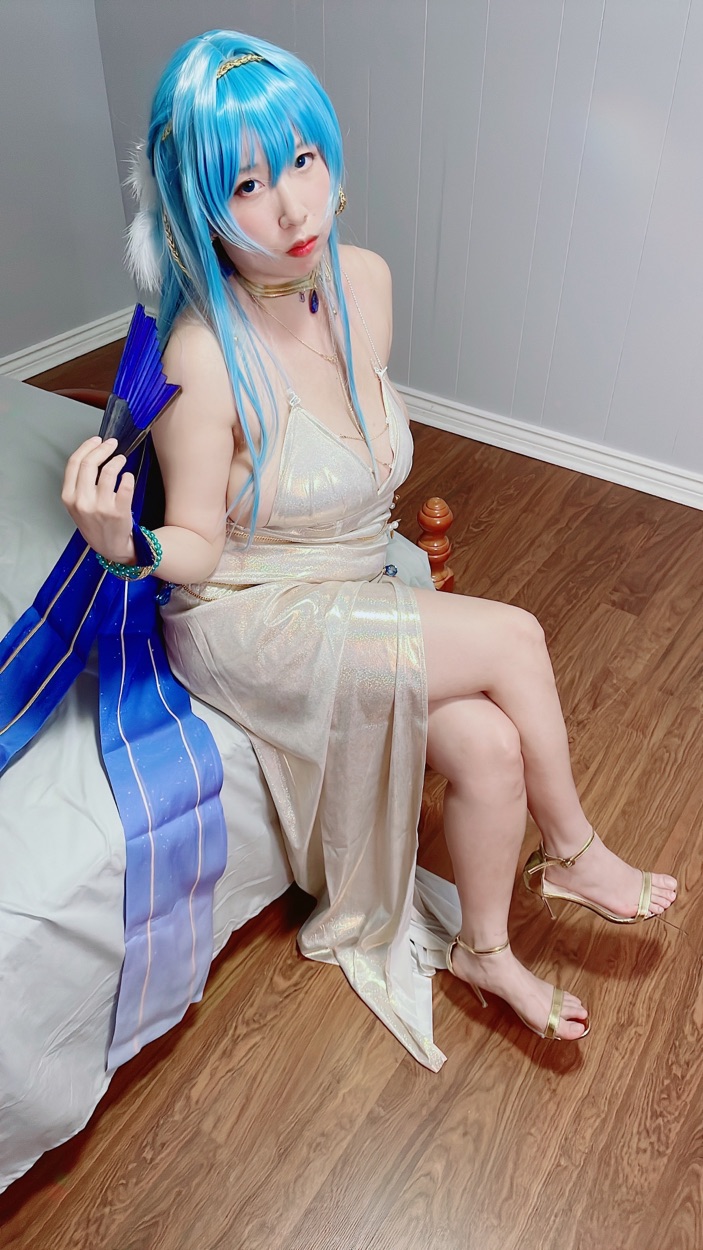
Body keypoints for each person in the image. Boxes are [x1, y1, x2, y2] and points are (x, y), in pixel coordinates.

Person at [61, 30, 677, 1066]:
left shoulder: (366, 282)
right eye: (246, 184)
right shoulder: (201, 354)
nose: (292, 207)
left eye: (301, 160)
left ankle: (485, 950)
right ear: (199, 207)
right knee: (516, 634)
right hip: (253, 613)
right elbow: (201, 546)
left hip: (346, 573)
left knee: (490, 747)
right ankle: (572, 850)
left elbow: (352, 452)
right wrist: (126, 546)